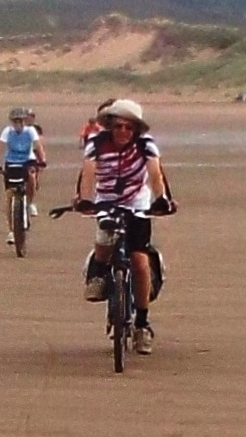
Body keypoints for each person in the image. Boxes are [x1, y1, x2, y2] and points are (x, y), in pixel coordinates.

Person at [75, 98, 175, 355]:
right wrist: (85, 199)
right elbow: (88, 171)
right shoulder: (96, 143)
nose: (123, 132)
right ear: (110, 125)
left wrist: (161, 199)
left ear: (136, 130)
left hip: (137, 203)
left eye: (128, 127)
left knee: (139, 261)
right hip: (107, 200)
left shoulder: (146, 145)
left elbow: (154, 173)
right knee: (103, 243)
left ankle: (142, 323)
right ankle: (98, 274)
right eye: (118, 126)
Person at [0, 107, 46, 245]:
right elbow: (0, 147)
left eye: (21, 120)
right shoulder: (7, 131)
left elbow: (38, 147)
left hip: (27, 160)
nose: (18, 123)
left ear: (24, 121)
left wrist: (42, 160)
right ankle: (11, 230)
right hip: (11, 162)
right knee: (9, 196)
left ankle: (29, 202)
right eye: (15, 121)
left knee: (31, 178)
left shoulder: (30, 131)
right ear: (12, 121)